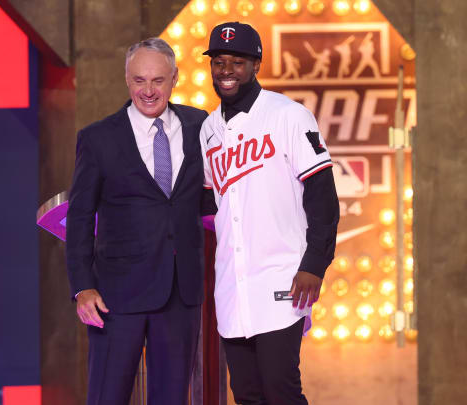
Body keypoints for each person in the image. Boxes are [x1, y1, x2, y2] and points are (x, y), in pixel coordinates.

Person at [200, 22, 340, 405]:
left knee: (282, 392)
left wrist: (314, 263)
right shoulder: (208, 130)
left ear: (256, 64)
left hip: (282, 279)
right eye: (219, 61)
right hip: (232, 285)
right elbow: (214, 207)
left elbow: (323, 198)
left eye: (238, 61)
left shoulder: (289, 116)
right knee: (246, 395)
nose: (226, 70)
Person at [65, 37, 209, 405]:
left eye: (158, 80)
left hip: (180, 294)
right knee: (107, 397)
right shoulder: (98, 139)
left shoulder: (200, 127)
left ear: (175, 78)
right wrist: (83, 287)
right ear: (127, 80)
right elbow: (80, 218)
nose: (148, 90)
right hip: (115, 297)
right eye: (139, 80)